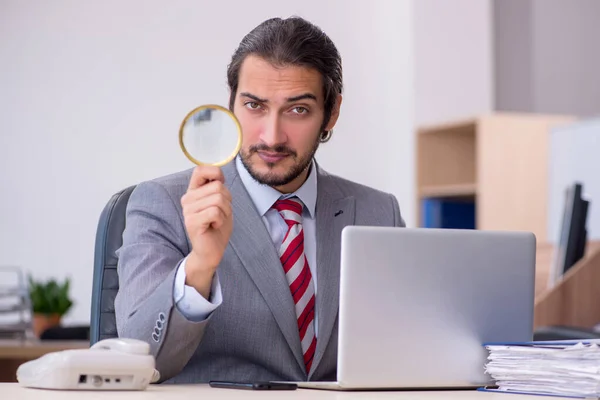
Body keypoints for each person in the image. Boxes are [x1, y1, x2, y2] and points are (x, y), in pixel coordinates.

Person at [114, 16, 405, 384]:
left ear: (330, 114)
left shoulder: (380, 213)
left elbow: (405, 350)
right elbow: (140, 362)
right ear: (232, 104)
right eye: (254, 106)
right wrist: (201, 264)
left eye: (298, 110)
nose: (271, 136)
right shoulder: (164, 203)